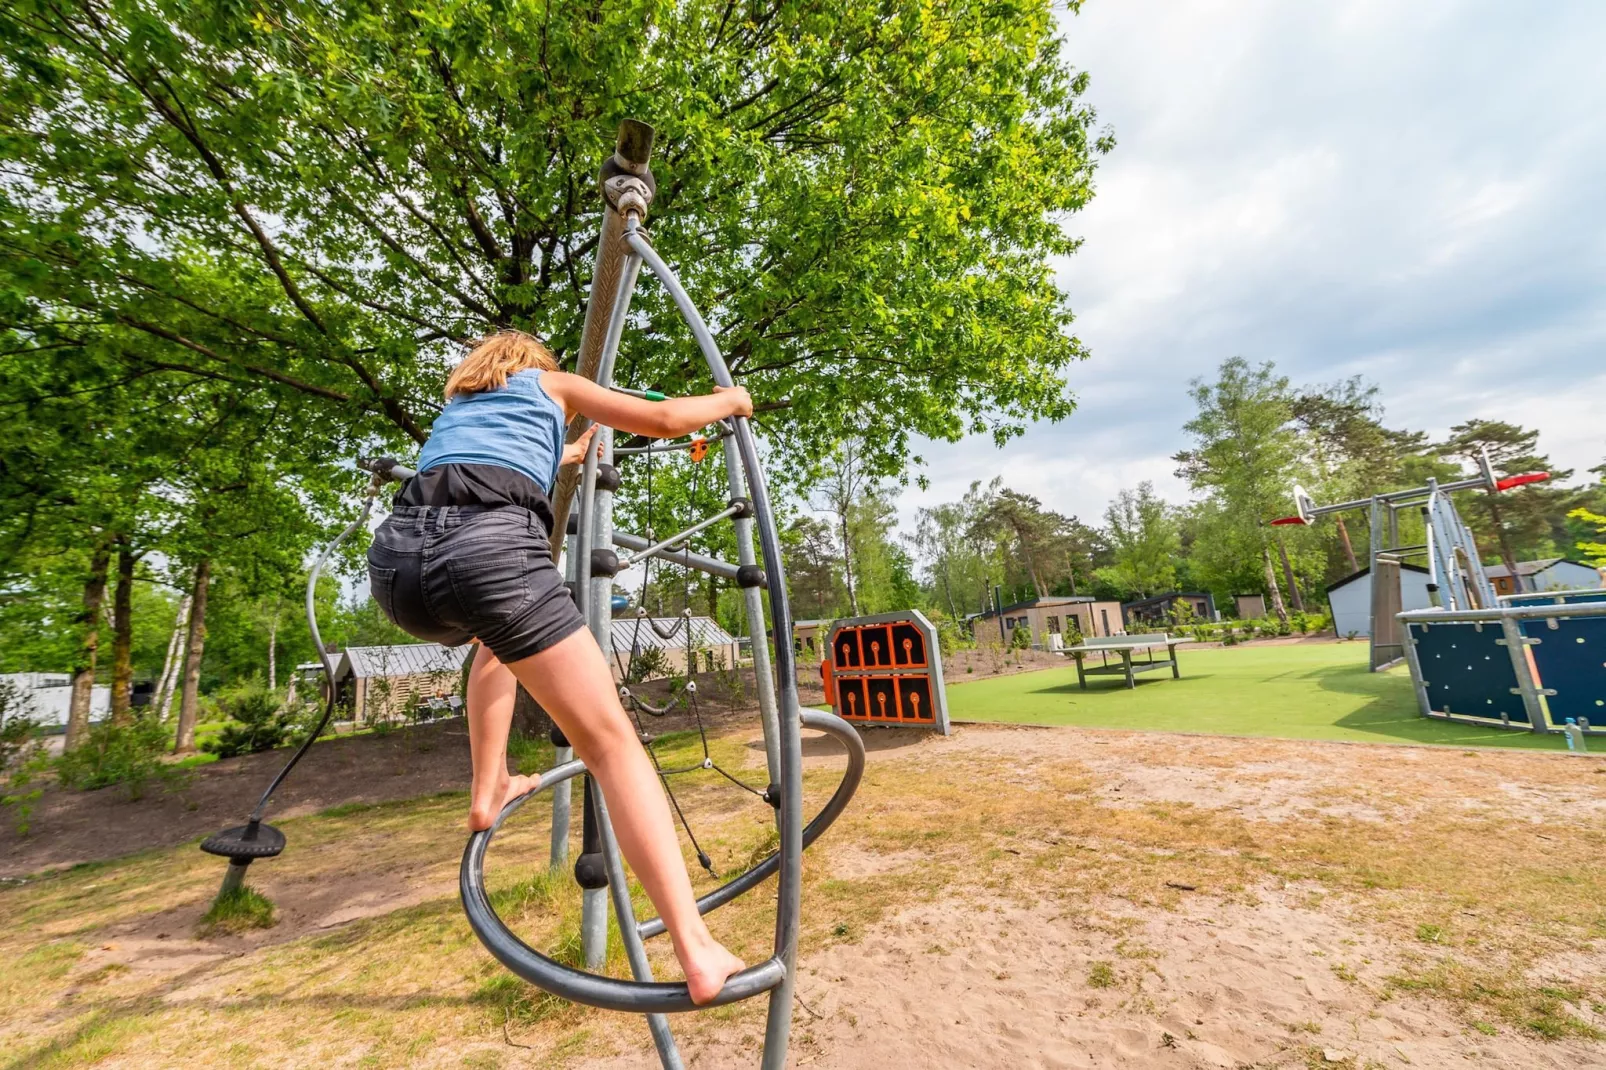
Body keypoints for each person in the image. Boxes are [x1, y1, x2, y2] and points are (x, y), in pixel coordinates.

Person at [367, 330, 752, 1004]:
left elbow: (525, 454)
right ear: (537, 367)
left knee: (496, 645)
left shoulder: (457, 409)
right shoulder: (554, 385)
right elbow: (664, 419)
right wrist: (728, 400)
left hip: (397, 566)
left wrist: (572, 449)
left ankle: (488, 788)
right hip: (488, 553)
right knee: (609, 743)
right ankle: (697, 949)